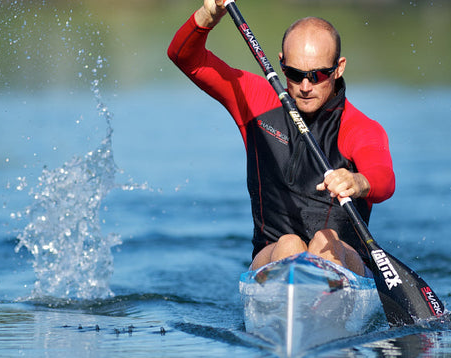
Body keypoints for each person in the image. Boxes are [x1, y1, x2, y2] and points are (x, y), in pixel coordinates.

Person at [167, 0, 395, 277]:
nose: (306, 87)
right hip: (272, 255)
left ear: (339, 68)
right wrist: (209, 14)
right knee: (288, 245)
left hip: (345, 263)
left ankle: (319, 292)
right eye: (295, 74)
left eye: (318, 75)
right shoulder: (256, 101)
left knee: (325, 240)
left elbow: (384, 180)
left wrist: (358, 181)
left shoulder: (358, 127)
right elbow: (184, 57)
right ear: (281, 65)